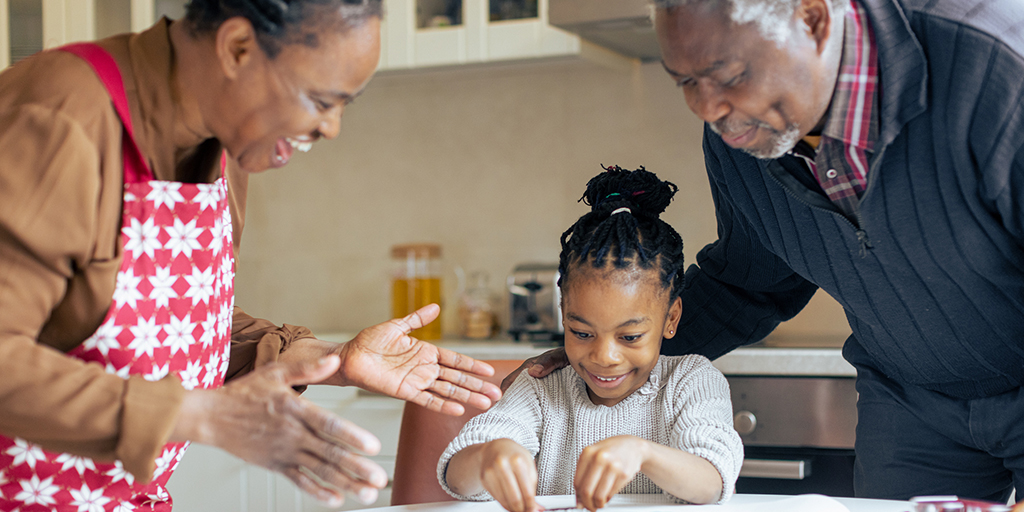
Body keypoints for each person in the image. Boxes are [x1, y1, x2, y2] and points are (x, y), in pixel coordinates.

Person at [511, 0, 1024, 503]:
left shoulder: (996, 65)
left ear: (814, 19)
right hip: (910, 397)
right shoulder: (744, 141)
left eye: (730, 75)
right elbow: (748, 280)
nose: (708, 111)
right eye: (686, 82)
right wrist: (613, 345)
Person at [0, 1, 502, 510]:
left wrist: (334, 360)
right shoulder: (59, 117)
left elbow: (170, 330)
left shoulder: (223, 145)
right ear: (238, 48)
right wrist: (200, 414)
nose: (331, 129)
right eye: (320, 100)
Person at [440, 166, 743, 512]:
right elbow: (456, 478)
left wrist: (642, 452)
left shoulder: (691, 380)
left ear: (671, 318)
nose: (604, 356)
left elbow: (712, 480)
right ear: (562, 312)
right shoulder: (541, 387)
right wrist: (488, 455)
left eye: (629, 336)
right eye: (582, 333)